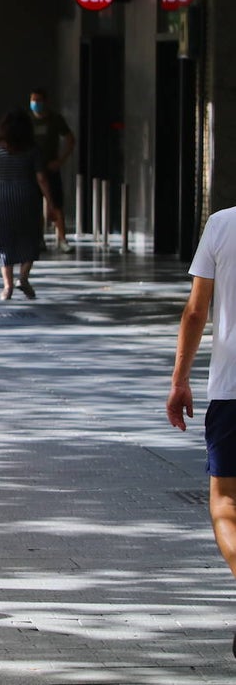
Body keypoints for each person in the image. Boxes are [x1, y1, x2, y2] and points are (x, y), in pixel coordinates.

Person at [167, 205, 236, 657]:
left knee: (226, 499)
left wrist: (179, 380)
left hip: (232, 391)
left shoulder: (223, 224)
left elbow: (196, 311)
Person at [0, 109, 53, 300]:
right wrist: (50, 201)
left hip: (4, 196)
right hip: (28, 196)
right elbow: (41, 178)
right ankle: (23, 278)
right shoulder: (33, 149)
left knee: (4, 240)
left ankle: (7, 286)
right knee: (30, 237)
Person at [29, 87, 76, 253]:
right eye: (33, 101)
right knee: (34, 205)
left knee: (56, 203)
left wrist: (60, 160)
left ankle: (62, 238)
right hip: (32, 169)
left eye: (38, 101)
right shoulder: (27, 120)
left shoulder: (55, 119)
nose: (35, 104)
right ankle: (38, 239)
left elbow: (71, 139)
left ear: (45, 101)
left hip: (50, 167)